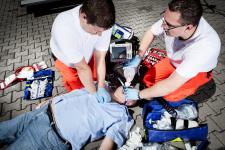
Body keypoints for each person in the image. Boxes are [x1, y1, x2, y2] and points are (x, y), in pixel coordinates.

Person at [123, 0, 221, 102]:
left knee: (169, 95)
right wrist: (139, 56)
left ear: (188, 27)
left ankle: (201, 84)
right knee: (148, 79)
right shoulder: (174, 20)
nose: (162, 26)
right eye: (164, 19)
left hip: (198, 71)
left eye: (168, 25)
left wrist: (138, 95)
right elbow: (151, 32)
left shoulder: (204, 48)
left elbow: (169, 86)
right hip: (176, 60)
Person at [0, 86, 133, 150]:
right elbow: (74, 93)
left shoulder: (121, 115)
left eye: (134, 94)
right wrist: (50, 100)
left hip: (50, 136)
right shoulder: (103, 84)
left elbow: (111, 139)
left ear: (129, 103)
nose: (130, 89)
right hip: (41, 112)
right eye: (130, 86)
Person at [50, 0, 115, 103]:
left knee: (94, 80)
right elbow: (82, 68)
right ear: (84, 17)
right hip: (67, 60)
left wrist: (101, 87)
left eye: (102, 31)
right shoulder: (63, 28)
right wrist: (94, 94)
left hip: (88, 53)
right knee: (78, 89)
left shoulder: (103, 20)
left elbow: (100, 57)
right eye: (96, 31)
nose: (100, 35)